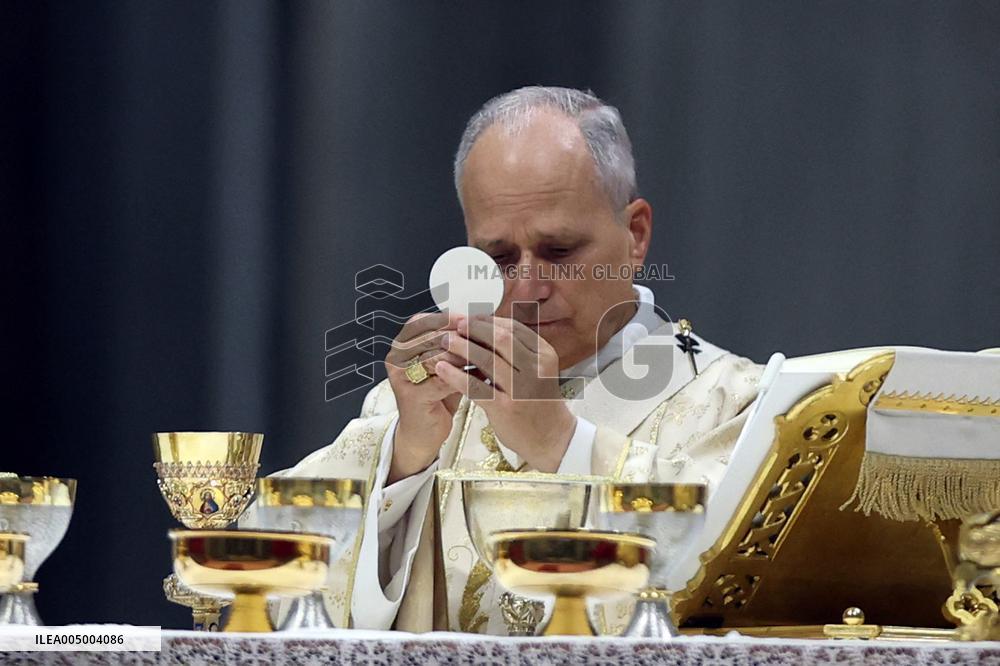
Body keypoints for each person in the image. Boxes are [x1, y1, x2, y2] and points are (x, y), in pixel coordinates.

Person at [264, 86, 761, 634]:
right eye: (498, 257)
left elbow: (741, 580)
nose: (527, 288)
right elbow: (270, 574)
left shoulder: (736, 404)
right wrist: (402, 461)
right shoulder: (423, 398)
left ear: (635, 235)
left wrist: (560, 444)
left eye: (560, 251)